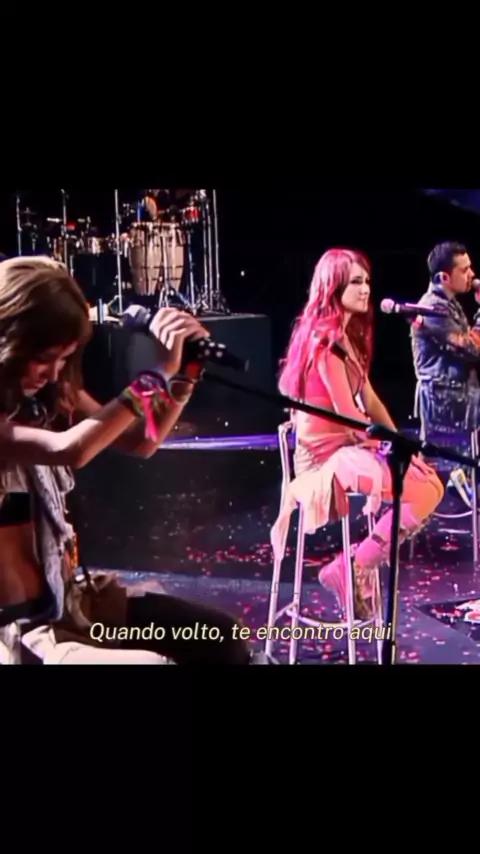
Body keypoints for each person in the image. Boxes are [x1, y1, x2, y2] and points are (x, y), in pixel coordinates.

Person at [0, 255, 254, 664]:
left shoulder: (48, 398)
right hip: (20, 632)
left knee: (224, 640)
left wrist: (184, 375)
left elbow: (142, 440)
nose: (53, 373)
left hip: (75, 606)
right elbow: (72, 449)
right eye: (44, 357)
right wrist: (157, 373)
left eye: (64, 359)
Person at [270, 248, 444, 619]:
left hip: (348, 445)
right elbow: (347, 413)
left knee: (430, 485)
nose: (366, 289)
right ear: (333, 288)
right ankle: (357, 566)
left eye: (366, 281)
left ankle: (355, 564)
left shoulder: (346, 335)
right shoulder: (325, 340)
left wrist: (401, 443)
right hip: (326, 460)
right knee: (421, 489)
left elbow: (370, 400)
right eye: (355, 282)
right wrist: (386, 446)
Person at [410, 241, 480, 444]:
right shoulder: (431, 309)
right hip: (443, 407)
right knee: (443, 461)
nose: (472, 275)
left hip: (457, 404)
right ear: (444, 277)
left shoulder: (449, 304)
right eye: (464, 270)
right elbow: (472, 349)